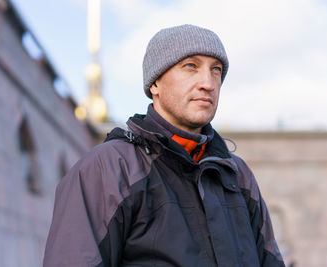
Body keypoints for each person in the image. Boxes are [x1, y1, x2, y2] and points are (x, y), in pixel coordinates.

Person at [43, 24, 285, 267]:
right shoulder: (108, 170)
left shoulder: (237, 175)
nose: (208, 83)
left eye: (216, 70)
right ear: (155, 83)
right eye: (191, 66)